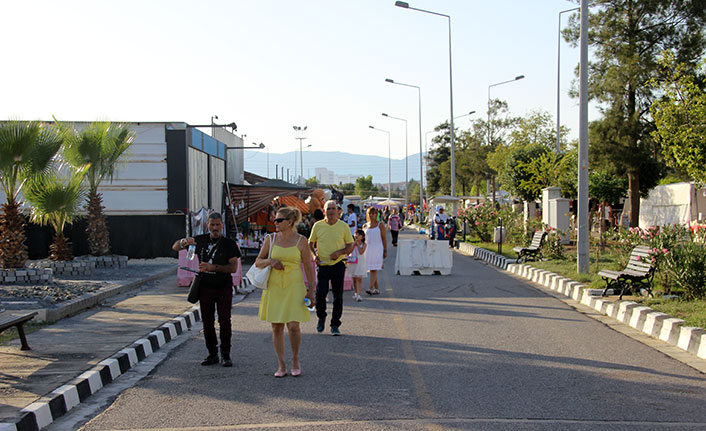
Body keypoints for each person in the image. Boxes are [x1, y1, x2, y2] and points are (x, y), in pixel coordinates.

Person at [172, 213, 240, 367]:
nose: (215, 228)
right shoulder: (200, 240)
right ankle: (212, 353)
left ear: (222, 225)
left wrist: (214, 267)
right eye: (212, 225)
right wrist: (184, 241)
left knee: (224, 321)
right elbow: (175, 247)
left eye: (217, 225)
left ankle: (226, 354)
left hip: (223, 286)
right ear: (207, 225)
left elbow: (233, 267)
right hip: (205, 286)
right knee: (207, 322)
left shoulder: (229, 243)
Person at [255, 207, 316, 377]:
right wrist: (271, 261)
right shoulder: (271, 239)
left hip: (294, 285)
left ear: (290, 222)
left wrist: (311, 290)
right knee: (276, 326)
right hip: (275, 286)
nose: (275, 223)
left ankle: (295, 359)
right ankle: (281, 364)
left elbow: (309, 267)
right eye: (275, 220)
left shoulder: (301, 240)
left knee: (294, 326)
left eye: (279, 220)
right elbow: (258, 261)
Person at [309, 200, 354, 335]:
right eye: (328, 209)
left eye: (333, 208)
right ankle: (321, 316)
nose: (331, 211)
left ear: (338, 211)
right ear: (324, 211)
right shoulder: (318, 226)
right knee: (320, 294)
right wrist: (314, 255)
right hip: (322, 265)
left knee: (337, 296)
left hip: (338, 264)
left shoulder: (343, 226)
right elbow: (310, 243)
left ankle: (335, 324)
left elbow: (350, 245)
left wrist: (339, 252)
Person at [364, 206, 387, 295]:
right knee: (371, 268)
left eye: (373, 213)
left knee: (374, 269)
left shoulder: (380, 225)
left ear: (376, 215)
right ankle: (376, 288)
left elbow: (384, 238)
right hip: (368, 249)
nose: (371, 215)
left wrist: (385, 250)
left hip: (377, 248)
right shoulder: (365, 226)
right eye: (369, 213)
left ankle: (370, 288)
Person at [348, 228, 367, 302]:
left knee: (359, 278)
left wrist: (358, 245)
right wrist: (353, 245)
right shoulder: (352, 243)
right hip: (353, 262)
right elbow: (349, 251)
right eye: (356, 234)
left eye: (359, 235)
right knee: (354, 278)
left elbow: (361, 252)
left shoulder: (364, 244)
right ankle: (356, 293)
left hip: (360, 262)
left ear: (362, 237)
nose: (357, 236)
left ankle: (359, 294)